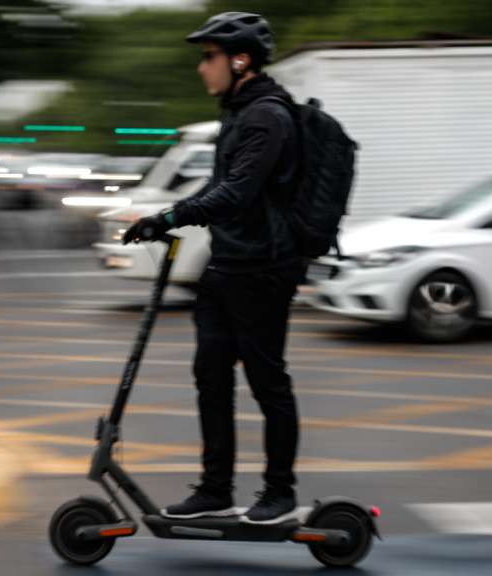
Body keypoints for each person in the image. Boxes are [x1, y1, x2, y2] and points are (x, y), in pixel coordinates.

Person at [121, 11, 304, 525]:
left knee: (268, 383)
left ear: (240, 60)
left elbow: (238, 192)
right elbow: (216, 190)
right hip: (227, 266)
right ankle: (215, 489)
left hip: (264, 270)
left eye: (209, 56)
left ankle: (280, 491)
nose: (202, 67)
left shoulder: (268, 116)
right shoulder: (238, 114)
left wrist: (173, 216)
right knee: (211, 376)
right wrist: (165, 218)